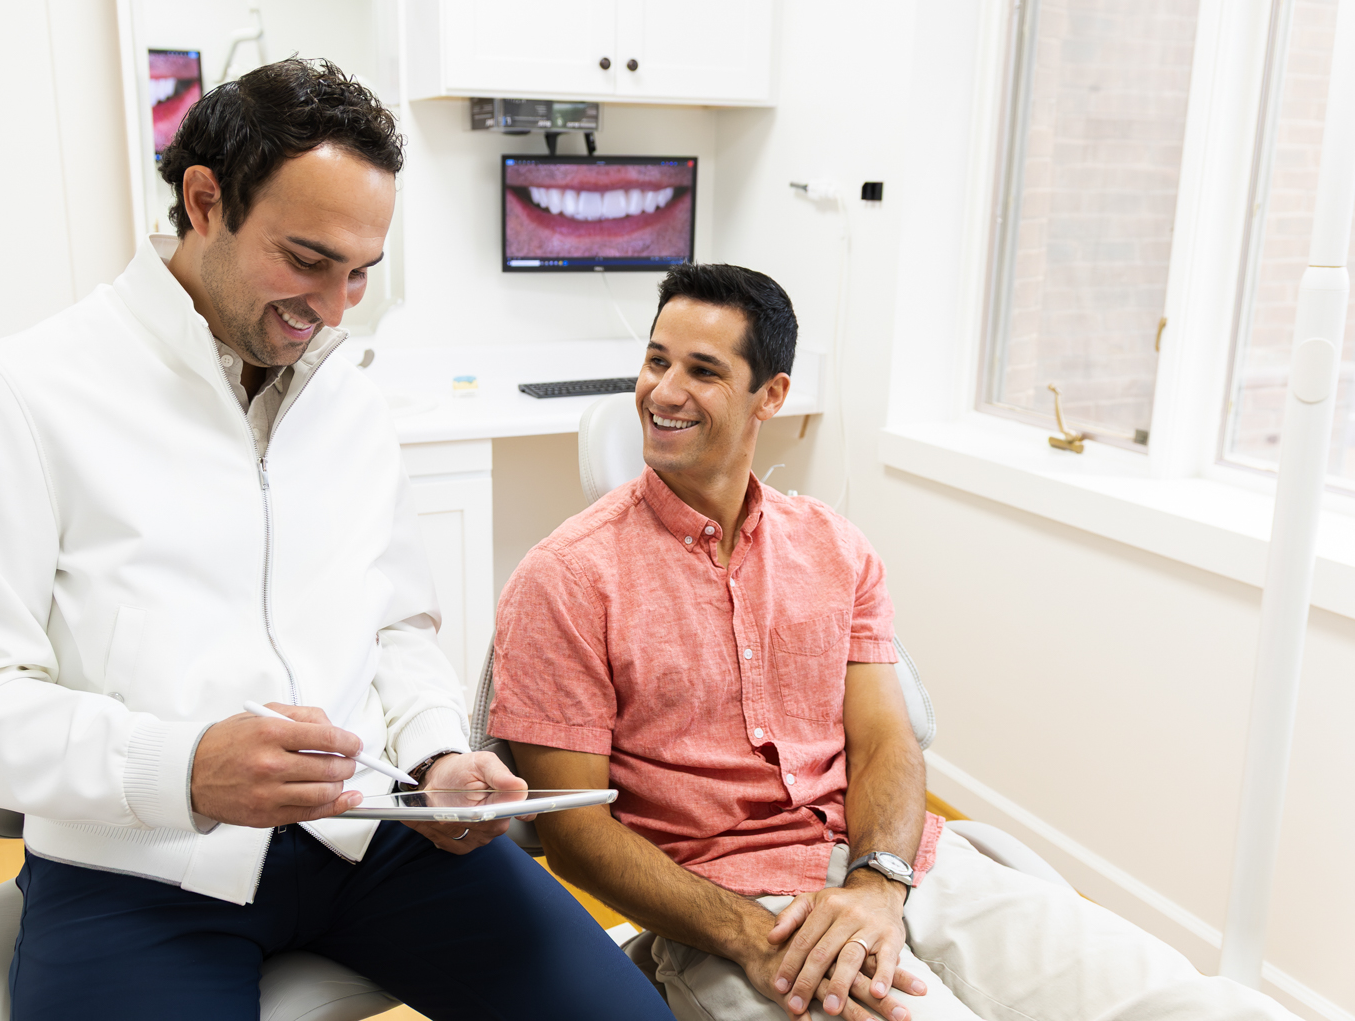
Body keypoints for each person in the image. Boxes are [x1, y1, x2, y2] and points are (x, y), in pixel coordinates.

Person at [0, 59, 674, 1021]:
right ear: (205, 201)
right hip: (138, 866)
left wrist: (436, 758)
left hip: (370, 837)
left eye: (361, 273)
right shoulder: (21, 396)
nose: (336, 307)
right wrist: (184, 766)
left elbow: (396, 627)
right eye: (307, 260)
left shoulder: (346, 396)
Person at [487, 263, 1297, 1021]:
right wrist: (747, 938)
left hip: (906, 872)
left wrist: (880, 882)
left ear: (772, 395)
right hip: (743, 910)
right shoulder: (566, 577)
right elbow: (575, 835)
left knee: (1197, 1002)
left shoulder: (833, 548)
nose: (663, 391)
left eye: (703, 370)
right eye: (656, 360)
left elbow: (885, 738)